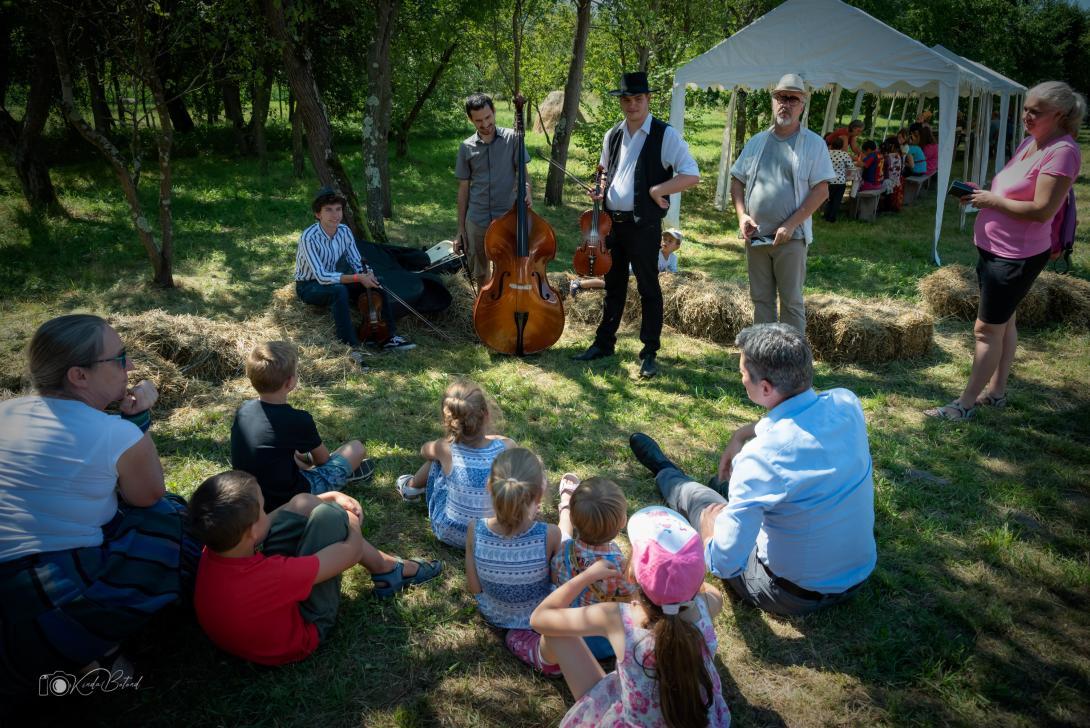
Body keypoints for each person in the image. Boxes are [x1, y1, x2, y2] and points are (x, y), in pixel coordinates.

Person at [0, 314, 200, 695]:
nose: (130, 367)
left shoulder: (5, 412)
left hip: (10, 613)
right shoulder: (117, 433)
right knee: (167, 517)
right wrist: (138, 420)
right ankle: (99, 649)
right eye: (120, 358)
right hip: (46, 615)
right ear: (79, 376)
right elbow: (148, 496)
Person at [629, 323, 877, 616]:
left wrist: (709, 529)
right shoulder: (846, 402)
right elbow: (800, 422)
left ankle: (667, 473)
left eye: (743, 374)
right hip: (858, 574)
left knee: (703, 504)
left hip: (787, 593)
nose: (741, 379)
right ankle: (711, 488)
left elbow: (724, 561)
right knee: (728, 490)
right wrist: (743, 433)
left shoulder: (760, 458)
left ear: (765, 388)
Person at [925, 82, 1084, 421]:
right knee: (1005, 323)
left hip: (1015, 256)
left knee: (986, 330)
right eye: (1026, 108)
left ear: (1059, 115)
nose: (1026, 116)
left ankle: (963, 405)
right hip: (996, 249)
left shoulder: (1063, 152)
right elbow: (1013, 190)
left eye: (1035, 111)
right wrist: (982, 193)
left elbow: (1043, 210)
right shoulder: (1032, 143)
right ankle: (996, 392)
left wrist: (991, 200)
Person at [190, 471, 441, 665]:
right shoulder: (272, 575)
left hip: (253, 623)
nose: (268, 511)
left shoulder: (215, 548)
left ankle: (387, 568)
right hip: (302, 633)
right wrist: (350, 521)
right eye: (263, 508)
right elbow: (349, 552)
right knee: (330, 517)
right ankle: (390, 570)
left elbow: (283, 513)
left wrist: (326, 497)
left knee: (302, 503)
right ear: (253, 531)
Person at [530, 506, 730, 728]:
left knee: (555, 633)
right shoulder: (706, 605)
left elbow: (539, 618)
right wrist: (682, 578)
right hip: (706, 721)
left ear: (632, 575)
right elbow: (712, 592)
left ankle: (544, 661)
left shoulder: (618, 618)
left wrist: (587, 576)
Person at [572, 72, 700, 379]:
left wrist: (659, 190)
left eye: (638, 99)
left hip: (643, 225)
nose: (632, 106)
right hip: (611, 226)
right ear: (621, 102)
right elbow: (605, 171)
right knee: (613, 286)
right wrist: (600, 189)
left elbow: (691, 174)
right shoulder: (613, 134)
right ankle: (604, 344)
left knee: (648, 288)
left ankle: (649, 353)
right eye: (626, 100)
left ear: (648, 99)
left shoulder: (664, 135)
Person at [730, 73, 835, 335]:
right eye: (780, 97)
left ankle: (793, 367)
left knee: (791, 304)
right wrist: (742, 216)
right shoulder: (757, 142)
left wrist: (790, 225)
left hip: (791, 239)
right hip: (756, 237)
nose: (785, 104)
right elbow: (736, 180)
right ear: (773, 101)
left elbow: (821, 191)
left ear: (802, 105)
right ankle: (764, 362)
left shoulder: (813, 144)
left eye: (792, 98)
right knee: (761, 302)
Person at [231, 341, 373, 513]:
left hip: (252, 497)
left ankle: (307, 465)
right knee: (356, 448)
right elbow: (323, 460)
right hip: (291, 499)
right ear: (290, 382)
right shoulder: (298, 419)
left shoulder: (243, 410)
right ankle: (343, 477)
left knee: (296, 455)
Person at [466, 448, 562, 675]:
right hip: (538, 616)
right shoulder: (551, 534)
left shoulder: (475, 529)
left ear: (490, 487)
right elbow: (557, 585)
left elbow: (474, 587)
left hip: (493, 613)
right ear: (539, 495)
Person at [294, 187, 414, 364]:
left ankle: (388, 336)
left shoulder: (344, 231)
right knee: (339, 291)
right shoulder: (308, 237)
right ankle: (350, 347)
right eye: (328, 210)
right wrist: (357, 278)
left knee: (376, 282)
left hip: (333, 277)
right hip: (309, 285)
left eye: (338, 209)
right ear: (317, 214)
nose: (335, 215)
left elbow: (357, 262)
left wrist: (367, 273)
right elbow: (321, 276)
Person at [395, 379, 515, 548]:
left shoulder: (445, 449)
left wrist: (441, 445)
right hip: (490, 535)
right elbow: (506, 443)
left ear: (448, 420)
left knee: (437, 462)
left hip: (450, 532)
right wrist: (495, 439)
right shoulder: (506, 446)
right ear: (486, 414)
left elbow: (424, 450)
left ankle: (411, 488)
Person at [551, 474, 637, 659]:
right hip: (606, 643)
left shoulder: (563, 551)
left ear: (573, 520)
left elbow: (554, 580)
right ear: (623, 522)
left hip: (572, 636)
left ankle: (564, 504)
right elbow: (632, 602)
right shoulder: (621, 568)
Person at [455, 93, 532, 288]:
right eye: (478, 120)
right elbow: (463, 190)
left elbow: (523, 173)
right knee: (479, 273)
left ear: (494, 112)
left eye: (488, 117)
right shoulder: (465, 147)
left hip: (507, 217)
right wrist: (461, 229)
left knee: (508, 269)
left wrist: (527, 189)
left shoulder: (513, 138)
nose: (485, 124)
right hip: (477, 218)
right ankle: (485, 312)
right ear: (470, 119)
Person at [569, 227, 682, 298]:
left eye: (670, 241)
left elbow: (672, 274)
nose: (665, 242)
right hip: (631, 272)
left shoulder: (673, 259)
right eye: (664, 239)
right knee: (608, 284)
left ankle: (586, 279)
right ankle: (578, 283)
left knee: (607, 281)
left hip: (638, 278)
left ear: (677, 246)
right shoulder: (655, 252)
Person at [824, 136, 855, 223]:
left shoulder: (826, 153)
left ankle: (826, 215)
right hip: (840, 181)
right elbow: (851, 167)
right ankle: (832, 218)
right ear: (842, 146)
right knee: (837, 200)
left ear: (832, 145)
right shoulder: (844, 155)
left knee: (828, 199)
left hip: (829, 181)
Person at [880, 136, 904, 212]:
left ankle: (883, 205)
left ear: (892, 145)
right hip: (896, 181)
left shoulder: (890, 156)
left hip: (889, 181)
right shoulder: (898, 155)